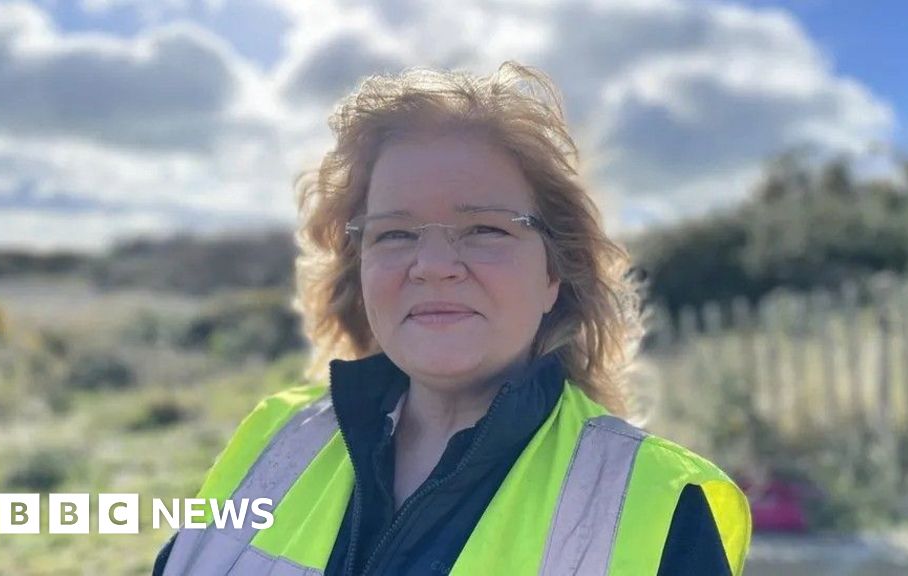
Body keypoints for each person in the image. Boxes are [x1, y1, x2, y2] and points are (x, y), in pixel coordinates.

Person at [153, 61, 750, 576]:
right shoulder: (272, 437)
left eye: (486, 229)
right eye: (395, 233)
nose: (434, 265)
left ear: (554, 275)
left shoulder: (661, 506)